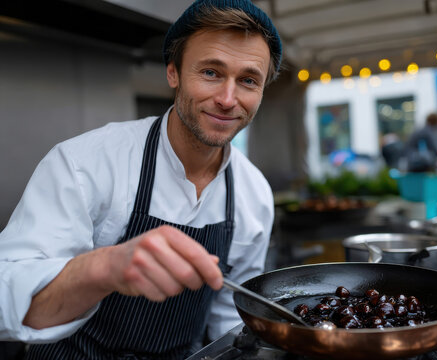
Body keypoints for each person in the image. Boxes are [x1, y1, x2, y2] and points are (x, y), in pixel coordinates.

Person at [0, 0, 282, 358]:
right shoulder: (85, 163)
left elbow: (229, 317)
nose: (228, 99)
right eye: (210, 72)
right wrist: (104, 268)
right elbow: (5, 295)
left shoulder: (253, 193)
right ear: (173, 73)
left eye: (247, 80)